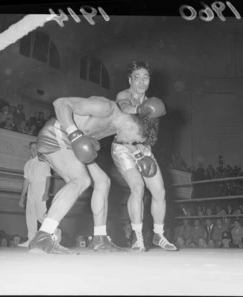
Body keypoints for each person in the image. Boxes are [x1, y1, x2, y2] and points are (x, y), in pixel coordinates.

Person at [28, 95, 158, 255]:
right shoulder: (106, 108)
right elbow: (60, 103)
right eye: (134, 140)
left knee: (103, 182)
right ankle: (43, 236)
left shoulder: (116, 127)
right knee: (81, 180)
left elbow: (91, 132)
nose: (131, 144)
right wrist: (74, 135)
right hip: (56, 135)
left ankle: (100, 239)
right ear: (132, 127)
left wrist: (138, 156)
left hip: (74, 144)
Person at [112, 61, 176, 252]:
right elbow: (124, 107)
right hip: (123, 148)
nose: (141, 81)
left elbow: (150, 135)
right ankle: (137, 238)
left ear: (149, 80)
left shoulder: (153, 102)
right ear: (130, 79)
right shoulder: (124, 95)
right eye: (137, 77)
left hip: (143, 149)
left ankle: (158, 235)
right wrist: (142, 110)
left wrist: (145, 150)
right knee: (137, 188)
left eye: (145, 77)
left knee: (159, 192)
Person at [18, 141, 52, 248]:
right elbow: (26, 181)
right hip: (31, 190)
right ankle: (31, 240)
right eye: (31, 148)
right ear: (29, 150)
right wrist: (22, 197)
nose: (33, 150)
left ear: (39, 149)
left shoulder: (44, 161)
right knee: (30, 215)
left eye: (36, 148)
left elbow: (48, 178)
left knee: (41, 214)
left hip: (41, 187)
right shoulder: (27, 164)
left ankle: (54, 232)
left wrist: (46, 192)